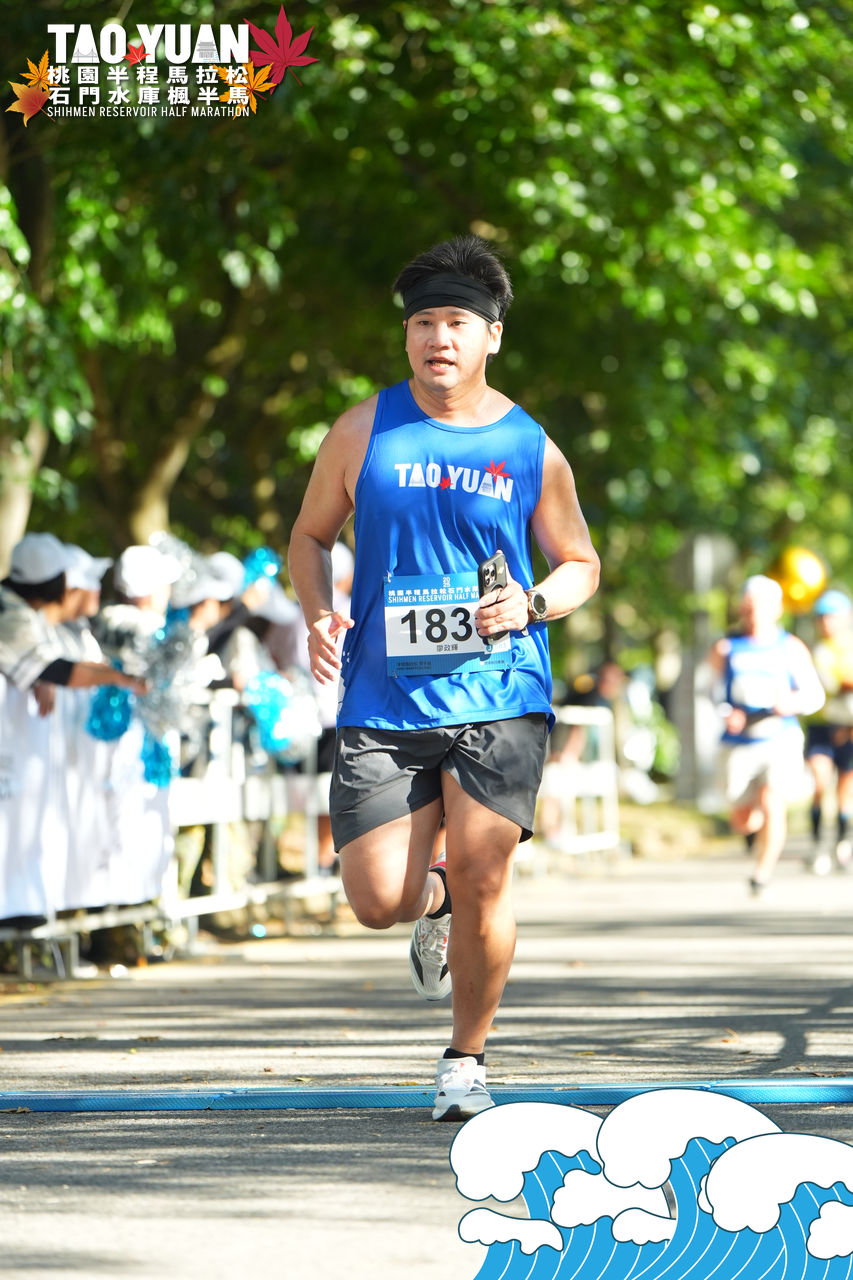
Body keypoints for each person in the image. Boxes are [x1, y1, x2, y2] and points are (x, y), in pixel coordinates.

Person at [288, 234, 600, 1120]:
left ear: (491, 335)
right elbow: (308, 537)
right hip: (383, 693)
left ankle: (465, 1059)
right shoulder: (362, 430)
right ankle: (433, 904)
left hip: (499, 689)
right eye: (423, 322)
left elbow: (580, 563)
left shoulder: (528, 444)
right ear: (406, 335)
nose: (439, 338)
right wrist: (318, 611)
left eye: (457, 322)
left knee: (484, 875)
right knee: (375, 899)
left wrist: (531, 604)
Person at [708, 574, 825, 895]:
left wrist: (793, 703)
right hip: (739, 742)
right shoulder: (725, 647)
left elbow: (815, 696)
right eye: (748, 605)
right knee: (742, 819)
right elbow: (710, 692)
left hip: (779, 738)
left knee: (773, 800)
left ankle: (762, 873)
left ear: (777, 609)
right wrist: (725, 712)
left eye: (760, 605)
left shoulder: (790, 647)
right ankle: (753, 822)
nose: (753, 612)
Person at [804, 589, 853, 874]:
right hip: (821, 726)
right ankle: (817, 845)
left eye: (831, 616)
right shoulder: (813, 651)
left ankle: (842, 844)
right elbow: (831, 686)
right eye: (821, 617)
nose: (826, 622)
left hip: (849, 725)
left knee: (845, 788)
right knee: (820, 782)